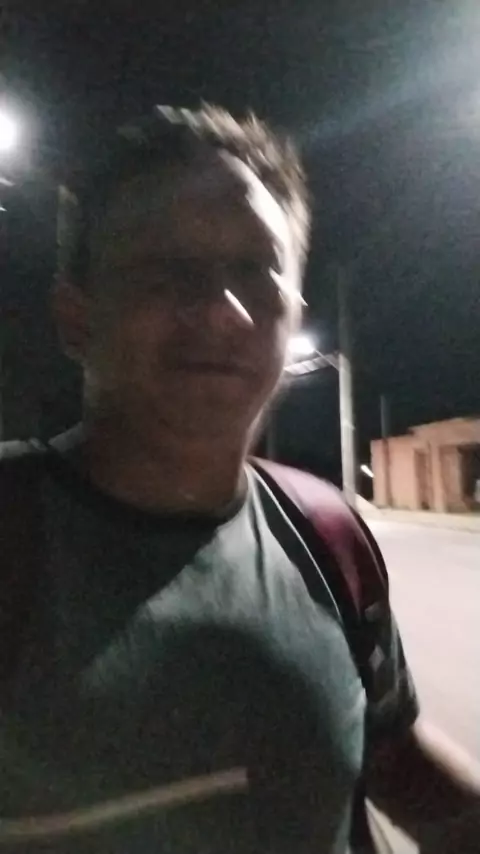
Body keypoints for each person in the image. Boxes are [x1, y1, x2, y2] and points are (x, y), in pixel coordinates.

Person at [1, 104, 479, 853]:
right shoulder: (17, 535)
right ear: (76, 317)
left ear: (294, 313)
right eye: (167, 271)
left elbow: (397, 758)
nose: (223, 312)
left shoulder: (326, 533)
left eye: (256, 271)